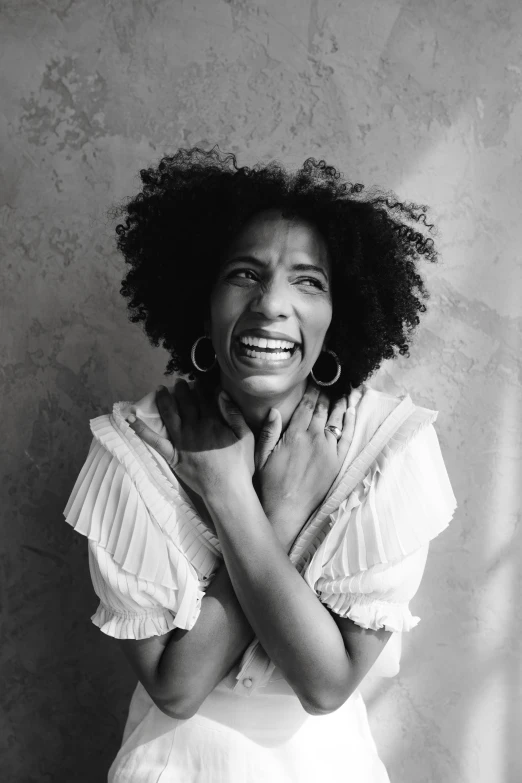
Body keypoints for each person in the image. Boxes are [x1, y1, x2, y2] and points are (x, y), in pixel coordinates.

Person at [64, 147, 457, 782]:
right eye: (244, 273)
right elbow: (177, 689)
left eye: (309, 280)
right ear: (201, 296)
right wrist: (252, 501)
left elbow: (325, 686)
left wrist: (250, 504)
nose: (272, 303)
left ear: (339, 314)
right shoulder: (132, 446)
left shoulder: (388, 448)